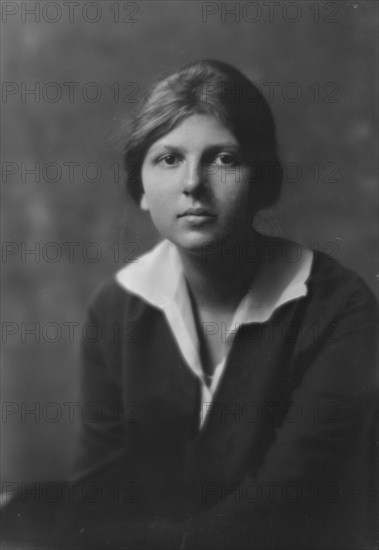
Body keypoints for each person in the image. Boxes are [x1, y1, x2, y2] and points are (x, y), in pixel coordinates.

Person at [69, 60, 377, 549]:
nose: (193, 183)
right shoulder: (117, 306)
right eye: (168, 159)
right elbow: (102, 496)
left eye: (224, 159)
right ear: (142, 189)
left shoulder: (338, 308)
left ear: (261, 181)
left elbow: (282, 509)